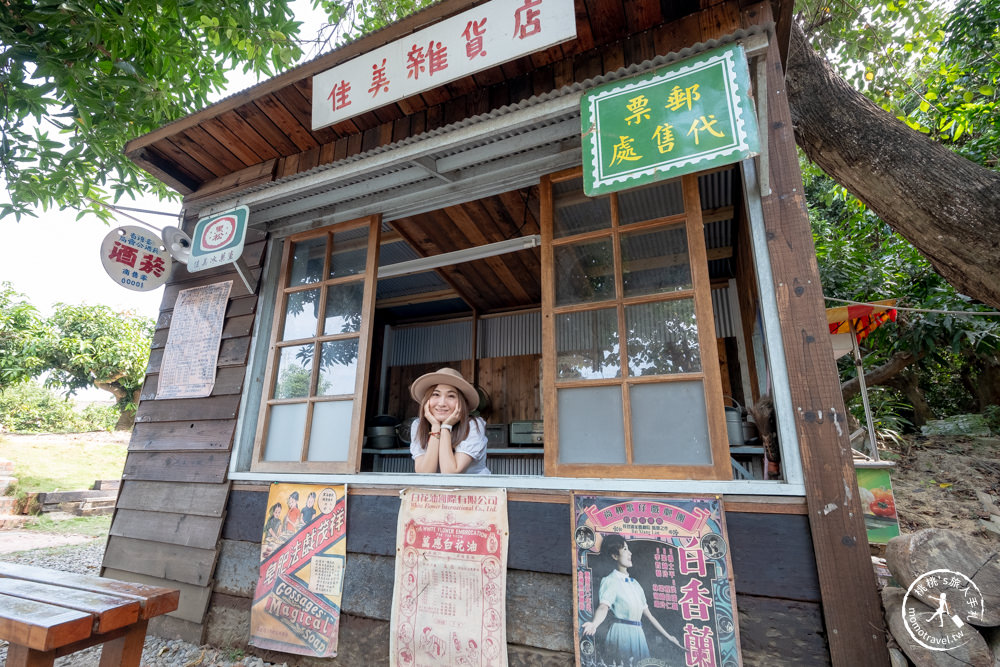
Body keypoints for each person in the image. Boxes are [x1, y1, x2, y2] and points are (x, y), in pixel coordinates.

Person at [581, 534, 681, 663]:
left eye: (628, 549)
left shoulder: (635, 584)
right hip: (621, 633)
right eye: (625, 550)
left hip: (638, 635)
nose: (630, 553)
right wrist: (594, 624)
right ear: (614, 556)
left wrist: (669, 637)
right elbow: (603, 606)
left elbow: (649, 616)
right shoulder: (610, 580)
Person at [408, 367, 490, 474]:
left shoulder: (473, 425)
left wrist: (446, 427)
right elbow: (425, 474)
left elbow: (450, 473)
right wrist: (435, 427)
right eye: (435, 394)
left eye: (451, 396)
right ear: (426, 400)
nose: (442, 403)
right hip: (439, 490)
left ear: (461, 403)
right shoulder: (418, 425)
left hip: (473, 490)